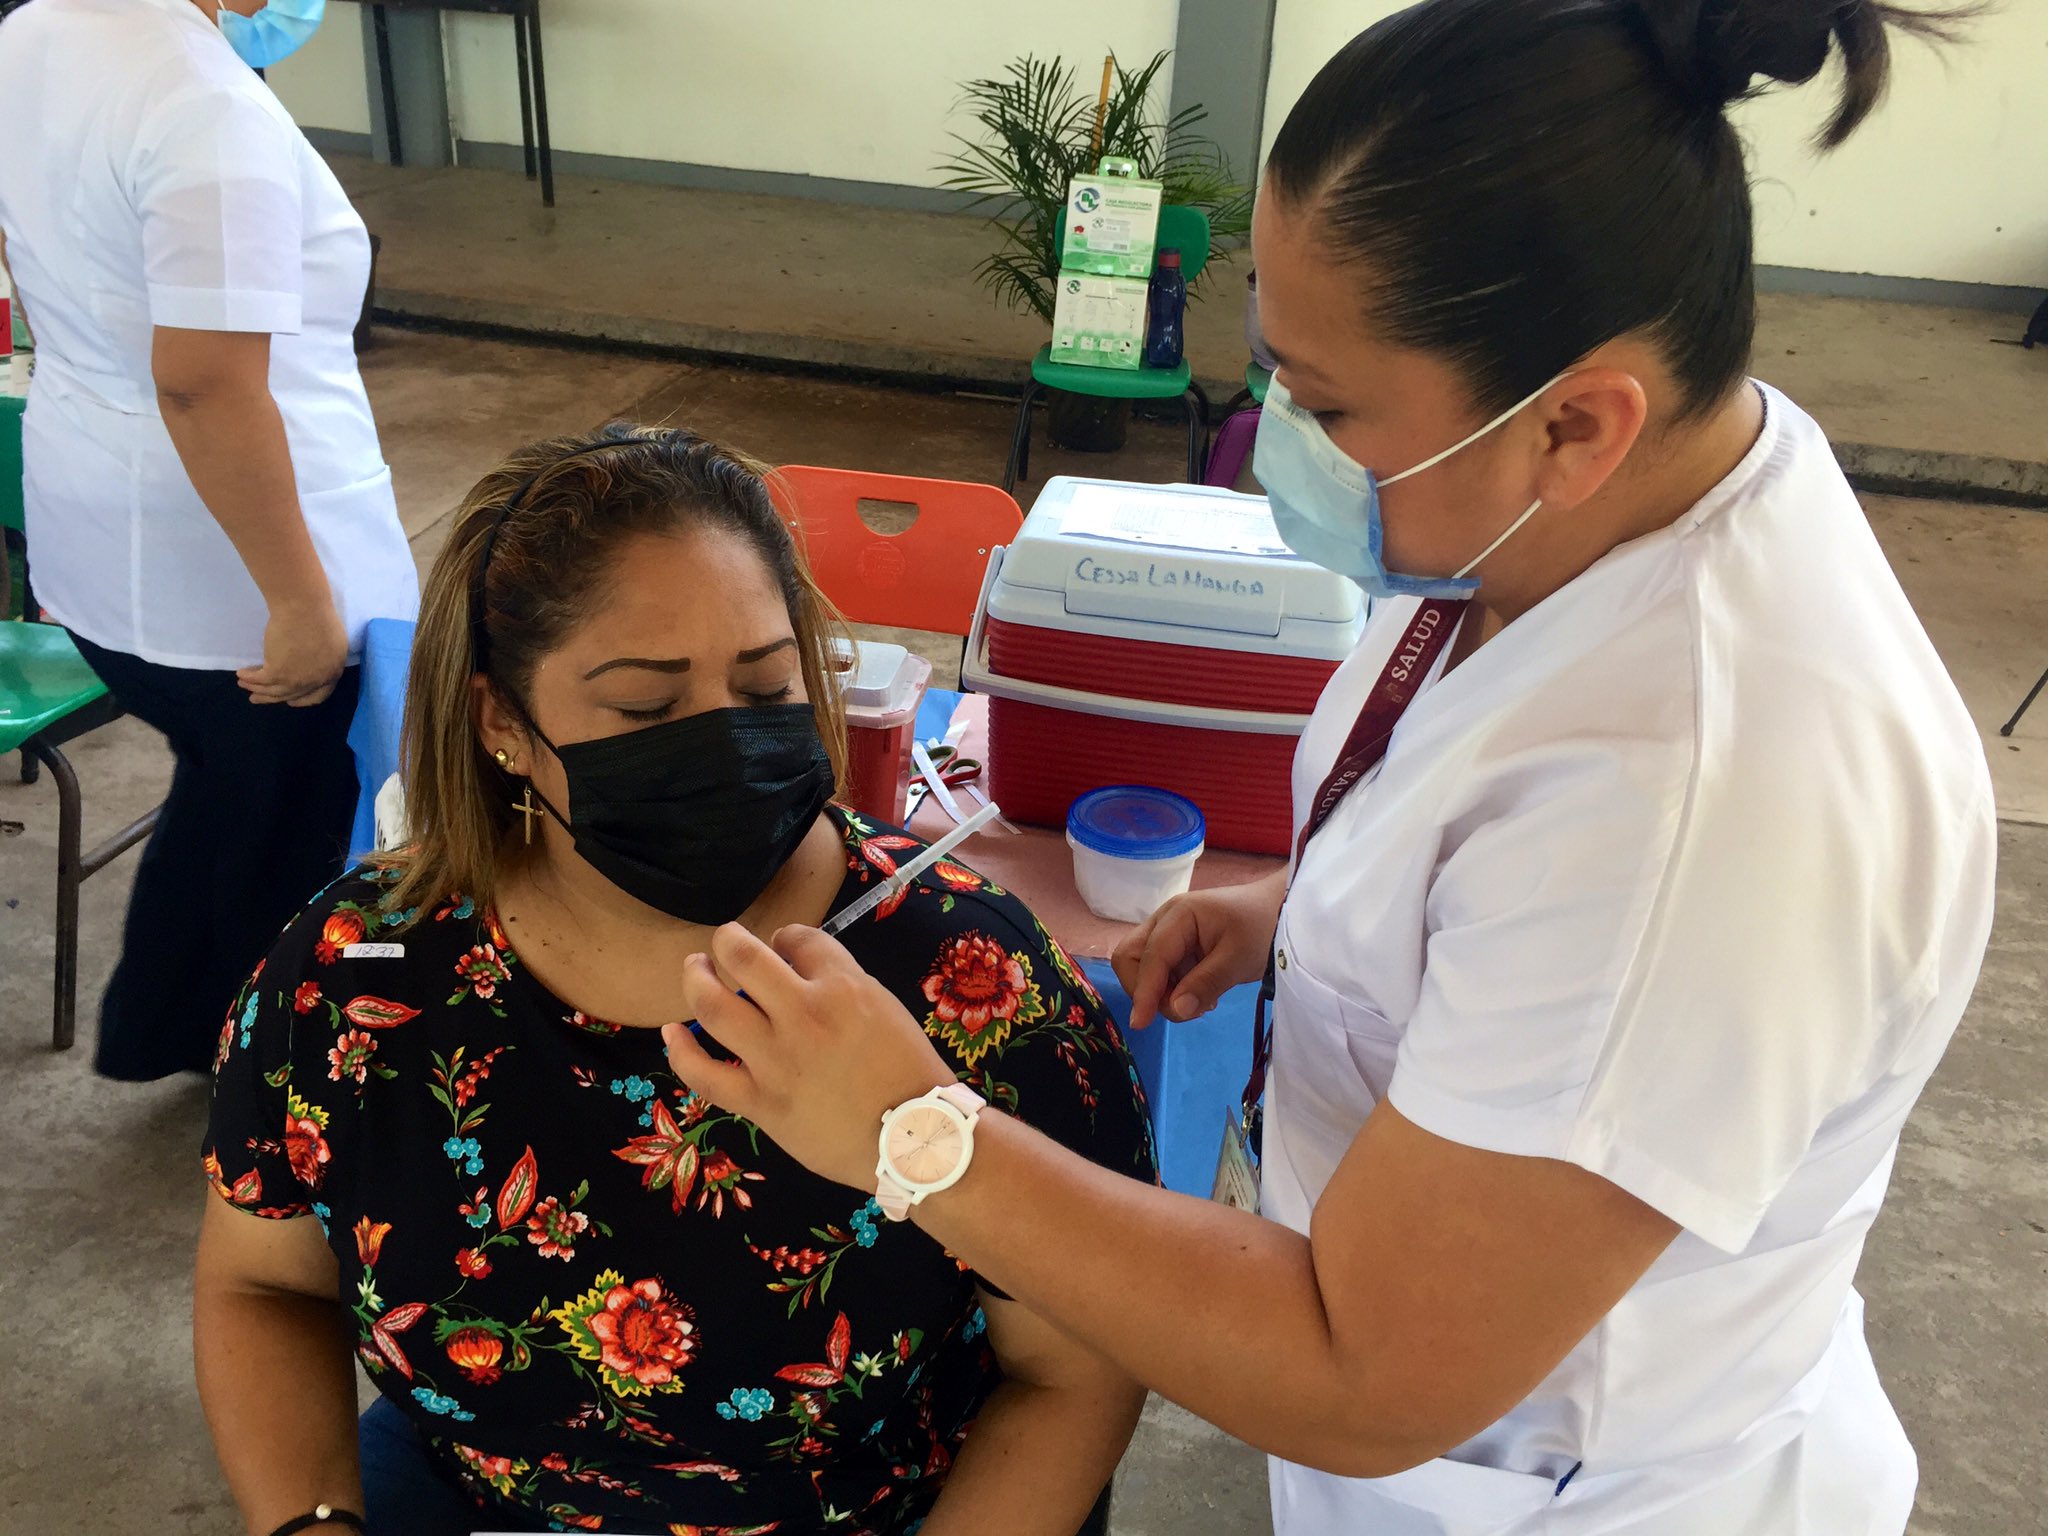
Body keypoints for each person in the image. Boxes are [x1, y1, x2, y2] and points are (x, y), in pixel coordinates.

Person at [652, 3, 1997, 1533]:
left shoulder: (1697, 809)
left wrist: (912, 1131)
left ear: (1576, 423)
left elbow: (1366, 1374)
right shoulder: (1591, 507)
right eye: (1277, 373)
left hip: (1571, 1491)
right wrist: (1313, 907)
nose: (1270, 437)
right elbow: (1475, 797)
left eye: (1331, 406)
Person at [195, 426, 1157, 1536]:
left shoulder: (973, 986)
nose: (724, 747)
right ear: (502, 722)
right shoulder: (360, 976)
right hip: (480, 1492)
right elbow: (262, 1282)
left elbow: (1079, 1369)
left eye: (766, 684)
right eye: (647, 710)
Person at [0, 0, 417, 1080]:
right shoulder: (204, 105)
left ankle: (163, 1031)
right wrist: (301, 602)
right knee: (291, 829)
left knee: (231, 788)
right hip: (231, 570)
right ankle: (269, 1084)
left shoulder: (37, 30)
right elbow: (204, 386)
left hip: (98, 525)